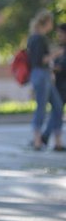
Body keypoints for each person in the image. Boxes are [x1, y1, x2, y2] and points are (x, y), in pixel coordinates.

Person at [26, 10, 64, 151]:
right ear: (46, 22)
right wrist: (57, 54)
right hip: (41, 75)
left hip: (43, 75)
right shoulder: (38, 38)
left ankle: (57, 140)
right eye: (51, 22)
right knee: (41, 108)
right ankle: (37, 141)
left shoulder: (35, 37)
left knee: (58, 107)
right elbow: (39, 60)